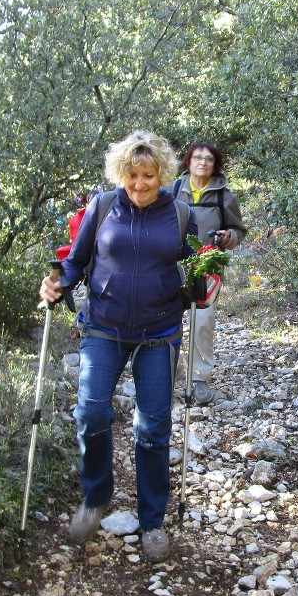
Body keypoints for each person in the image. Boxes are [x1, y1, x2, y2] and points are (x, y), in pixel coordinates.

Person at [39, 130, 196, 563]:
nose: (141, 184)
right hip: (103, 327)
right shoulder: (103, 206)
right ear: (121, 174)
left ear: (162, 174)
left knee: (153, 429)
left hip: (159, 331)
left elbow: (197, 267)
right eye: (132, 175)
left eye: (148, 175)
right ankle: (96, 497)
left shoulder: (181, 214)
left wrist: (203, 280)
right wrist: (57, 283)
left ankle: (152, 521)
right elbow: (75, 260)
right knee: (91, 413)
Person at [171, 142, 248, 405]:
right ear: (188, 162)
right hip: (172, 266)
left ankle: (198, 379)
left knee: (202, 322)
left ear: (215, 165)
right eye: (197, 158)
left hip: (208, 269)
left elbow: (238, 231)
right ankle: (166, 375)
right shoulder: (172, 191)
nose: (202, 163)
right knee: (168, 320)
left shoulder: (224, 197)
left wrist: (228, 238)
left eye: (208, 159)